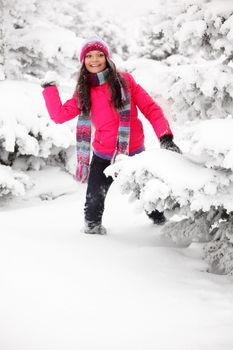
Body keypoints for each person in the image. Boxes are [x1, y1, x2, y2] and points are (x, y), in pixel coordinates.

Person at [41, 36, 181, 235]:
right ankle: (93, 241)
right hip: (103, 156)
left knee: (150, 199)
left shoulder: (126, 81)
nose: (94, 59)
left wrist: (165, 137)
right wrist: (49, 88)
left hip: (133, 153)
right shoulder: (83, 91)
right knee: (92, 208)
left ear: (107, 58)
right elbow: (59, 115)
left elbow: (150, 108)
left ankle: (161, 228)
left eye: (99, 54)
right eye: (89, 55)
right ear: (83, 61)